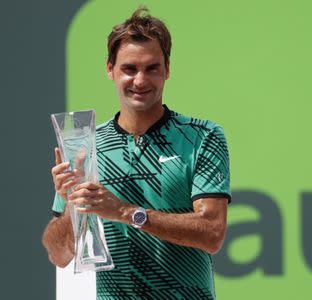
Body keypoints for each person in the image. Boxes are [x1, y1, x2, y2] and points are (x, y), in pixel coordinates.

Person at [42, 6, 231, 299]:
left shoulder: (202, 136)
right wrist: (71, 206)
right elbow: (59, 255)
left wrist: (125, 212)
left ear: (167, 69)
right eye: (129, 69)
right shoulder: (86, 146)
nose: (140, 81)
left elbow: (212, 232)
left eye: (151, 68)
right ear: (110, 70)